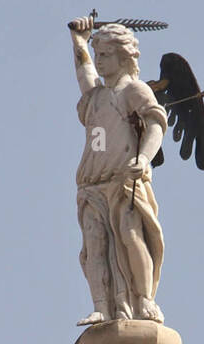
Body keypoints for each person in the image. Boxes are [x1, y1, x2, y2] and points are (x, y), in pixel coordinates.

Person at [69, 16, 169, 324]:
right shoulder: (96, 97)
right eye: (97, 55)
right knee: (95, 244)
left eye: (106, 55)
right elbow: (84, 73)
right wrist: (79, 42)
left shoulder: (133, 91)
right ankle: (103, 304)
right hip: (92, 183)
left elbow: (156, 123)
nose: (99, 62)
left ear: (124, 56)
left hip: (125, 180)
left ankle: (144, 299)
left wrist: (143, 158)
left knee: (130, 235)